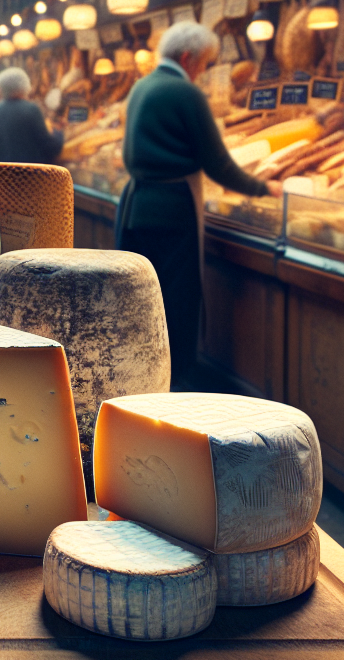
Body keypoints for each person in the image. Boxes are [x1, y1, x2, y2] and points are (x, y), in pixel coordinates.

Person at [115, 21, 282, 388]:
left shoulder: (142, 86)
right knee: (178, 297)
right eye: (205, 63)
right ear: (188, 58)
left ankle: (141, 376)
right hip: (174, 209)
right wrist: (262, 187)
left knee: (143, 299)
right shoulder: (185, 94)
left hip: (137, 204)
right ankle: (176, 383)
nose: (204, 71)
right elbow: (218, 163)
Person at [0, 68, 62, 163]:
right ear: (25, 86)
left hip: (0, 175)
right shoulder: (31, 110)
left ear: (0, 88)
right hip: (29, 174)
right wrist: (59, 133)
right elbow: (50, 147)